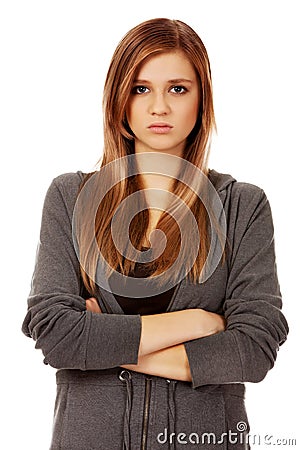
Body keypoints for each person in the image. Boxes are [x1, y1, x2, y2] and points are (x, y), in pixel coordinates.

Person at [22, 18, 288, 450]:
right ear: (119, 100)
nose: (159, 107)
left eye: (178, 89)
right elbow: (56, 333)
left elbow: (254, 349)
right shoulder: (70, 197)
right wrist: (197, 323)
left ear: (202, 100)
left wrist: (99, 340)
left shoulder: (242, 206)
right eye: (141, 88)